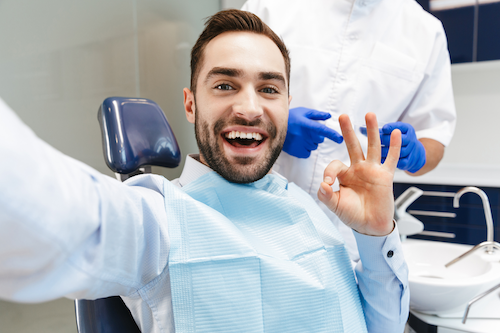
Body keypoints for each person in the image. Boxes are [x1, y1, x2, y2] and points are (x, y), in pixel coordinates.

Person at [0, 9, 408, 333]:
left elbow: (380, 327)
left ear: (286, 105)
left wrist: (375, 236)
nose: (249, 108)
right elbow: (46, 214)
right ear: (191, 104)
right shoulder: (160, 219)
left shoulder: (306, 208)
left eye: (269, 89)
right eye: (225, 85)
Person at [242, 0, 457, 260]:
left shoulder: (425, 32)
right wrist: (274, 128)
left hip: (351, 239)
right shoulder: (270, 7)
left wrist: (416, 153)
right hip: (257, 216)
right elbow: (224, 96)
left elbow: (434, 137)